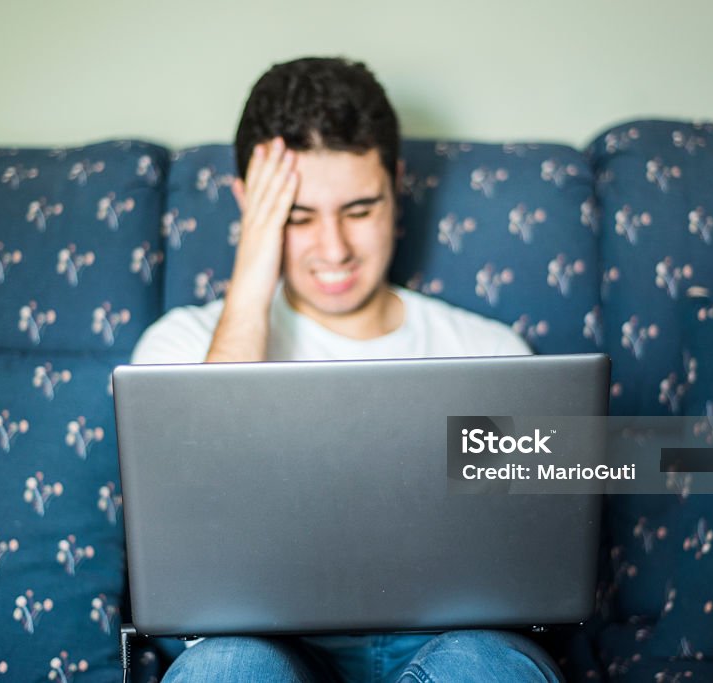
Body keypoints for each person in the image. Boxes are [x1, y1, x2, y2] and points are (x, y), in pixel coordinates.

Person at [132, 57, 560, 683]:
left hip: (446, 643)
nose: (334, 250)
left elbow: (529, 560)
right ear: (249, 206)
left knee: (486, 666)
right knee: (224, 668)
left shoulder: (490, 350)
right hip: (263, 647)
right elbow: (195, 530)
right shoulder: (179, 348)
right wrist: (252, 278)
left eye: (359, 210)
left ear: (397, 186)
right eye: (297, 217)